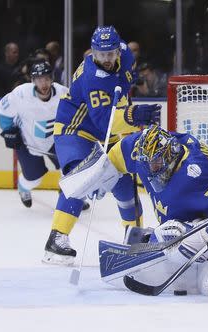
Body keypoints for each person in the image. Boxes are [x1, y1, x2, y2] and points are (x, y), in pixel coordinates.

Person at [60, 125, 208, 295]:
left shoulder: (199, 171)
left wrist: (198, 235)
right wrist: (101, 174)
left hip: (207, 228)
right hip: (175, 220)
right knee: (162, 236)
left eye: (154, 163)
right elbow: (116, 157)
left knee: (172, 235)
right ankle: (161, 243)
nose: (148, 170)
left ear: (170, 154)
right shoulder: (142, 151)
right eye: (145, 164)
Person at [42, 26, 161, 265]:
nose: (105, 60)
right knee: (81, 177)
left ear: (118, 50)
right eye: (100, 54)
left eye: (110, 54)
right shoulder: (93, 79)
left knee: (125, 183)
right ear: (92, 52)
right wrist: (134, 115)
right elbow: (104, 120)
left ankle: (133, 237)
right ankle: (56, 240)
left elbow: (125, 77)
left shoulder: (125, 55)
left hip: (110, 129)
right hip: (75, 129)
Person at [0, 61, 67, 207]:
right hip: (28, 142)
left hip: (56, 140)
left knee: (71, 168)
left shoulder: (63, 93)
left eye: (47, 78)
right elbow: (3, 111)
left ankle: (68, 195)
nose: (44, 83)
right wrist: (9, 131)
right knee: (34, 179)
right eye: (39, 79)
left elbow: (77, 113)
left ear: (52, 78)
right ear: (32, 80)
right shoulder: (21, 94)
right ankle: (23, 189)